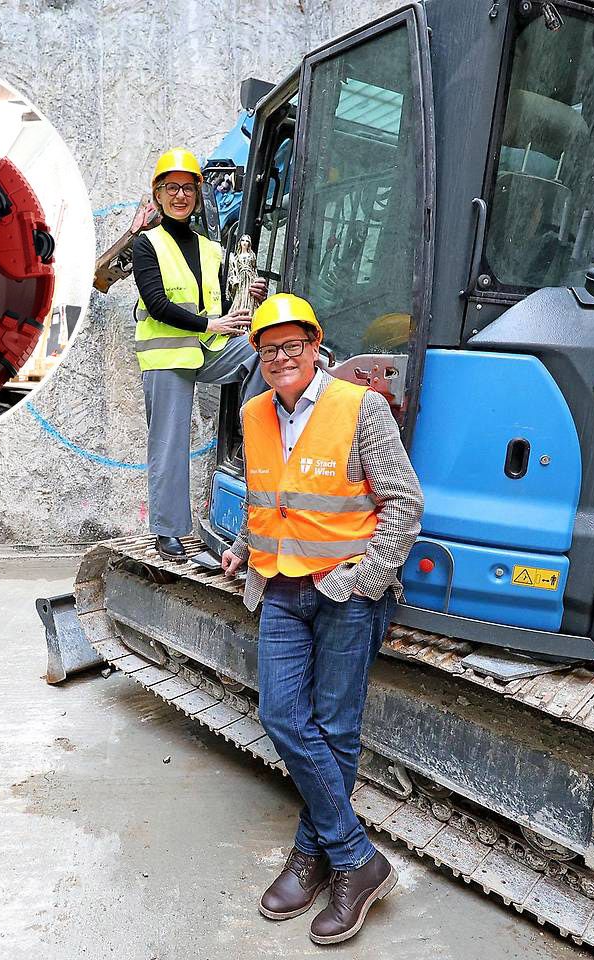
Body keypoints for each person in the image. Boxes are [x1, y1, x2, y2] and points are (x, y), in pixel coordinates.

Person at [220, 293, 423, 945]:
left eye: (292, 345)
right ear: (258, 354)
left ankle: (314, 858)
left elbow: (404, 502)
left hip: (345, 591)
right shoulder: (254, 414)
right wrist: (244, 547)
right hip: (280, 586)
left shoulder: (359, 407)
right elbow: (272, 498)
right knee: (283, 715)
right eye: (268, 347)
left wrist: (365, 580)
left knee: (335, 727)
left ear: (315, 346)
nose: (281, 358)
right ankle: (355, 856)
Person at [133, 147, 267, 560]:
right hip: (168, 357)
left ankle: (255, 430)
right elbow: (157, 303)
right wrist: (212, 324)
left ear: (197, 193)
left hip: (207, 348)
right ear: (158, 194)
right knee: (169, 443)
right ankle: (168, 530)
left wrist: (249, 293)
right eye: (171, 188)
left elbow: (222, 300)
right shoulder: (147, 245)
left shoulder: (210, 248)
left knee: (263, 350)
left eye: (187, 188)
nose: (180, 196)